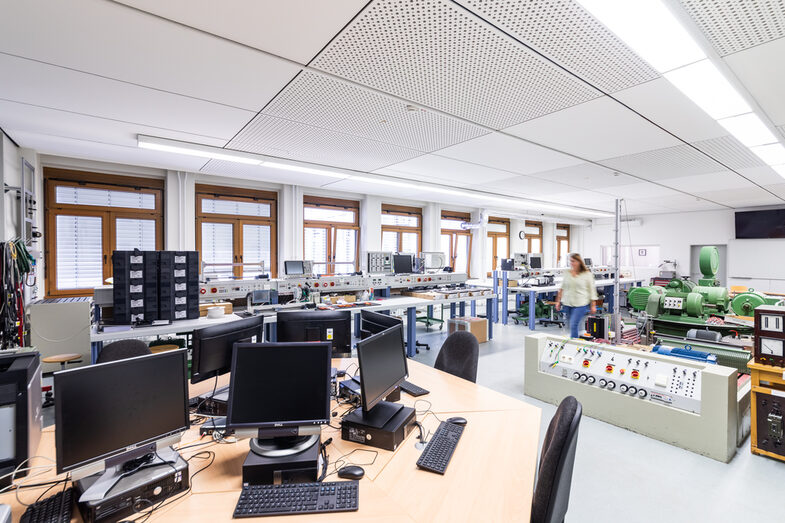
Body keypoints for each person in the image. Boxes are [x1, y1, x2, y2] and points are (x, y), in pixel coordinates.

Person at [555, 253, 598, 339]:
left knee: (573, 324)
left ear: (579, 262)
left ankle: (574, 344)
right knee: (570, 325)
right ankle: (577, 336)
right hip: (567, 303)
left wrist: (593, 305)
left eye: (573, 261)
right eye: (570, 261)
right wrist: (558, 301)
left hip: (580, 304)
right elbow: (562, 288)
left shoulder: (587, 274)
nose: (572, 263)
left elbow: (592, 290)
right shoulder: (567, 273)